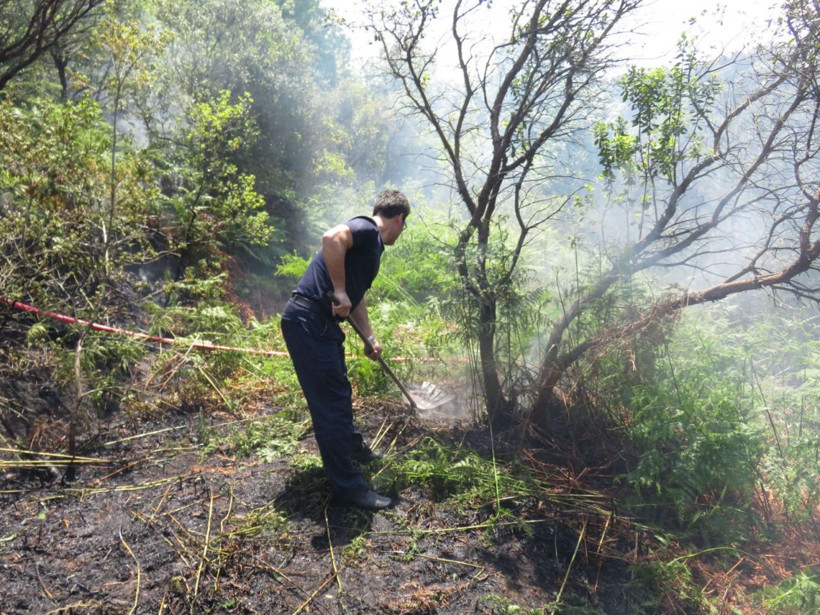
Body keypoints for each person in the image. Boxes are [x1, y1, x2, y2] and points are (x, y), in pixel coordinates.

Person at [280, 189, 410, 510]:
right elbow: (331, 238)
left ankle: (354, 450)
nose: (402, 231)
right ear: (398, 219)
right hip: (310, 320)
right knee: (332, 405)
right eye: (404, 225)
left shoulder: (370, 247)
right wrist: (338, 290)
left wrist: (369, 337)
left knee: (339, 393)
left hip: (319, 324)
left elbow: (356, 298)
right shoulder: (367, 229)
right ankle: (348, 487)